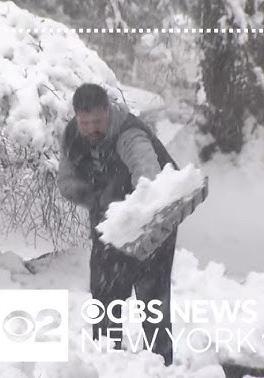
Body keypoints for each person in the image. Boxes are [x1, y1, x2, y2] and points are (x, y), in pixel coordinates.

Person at [56, 83, 178, 366]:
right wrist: (96, 197)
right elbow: (66, 182)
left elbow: (149, 177)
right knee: (104, 292)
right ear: (77, 116)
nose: (91, 128)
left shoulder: (129, 134)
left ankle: (160, 366)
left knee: (152, 299)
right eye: (85, 122)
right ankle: (106, 362)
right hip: (109, 223)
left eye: (97, 121)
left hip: (154, 221)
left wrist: (133, 209)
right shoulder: (73, 136)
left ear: (108, 112)